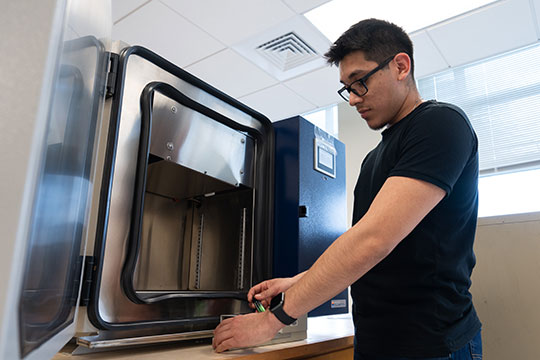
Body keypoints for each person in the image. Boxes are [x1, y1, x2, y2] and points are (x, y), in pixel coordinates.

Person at [213, 18, 482, 359]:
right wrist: (298, 280)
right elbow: (365, 250)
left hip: (431, 344)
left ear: (401, 66)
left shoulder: (440, 124)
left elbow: (374, 239)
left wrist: (274, 322)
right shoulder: (374, 159)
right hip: (375, 341)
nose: (353, 99)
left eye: (359, 83)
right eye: (347, 88)